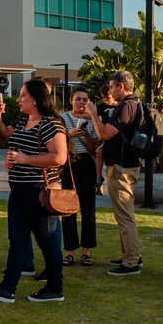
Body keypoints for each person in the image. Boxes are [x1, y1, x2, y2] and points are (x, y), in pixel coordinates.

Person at [0, 79, 69, 303]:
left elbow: (59, 157)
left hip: (39, 192)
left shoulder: (51, 124)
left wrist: (25, 159)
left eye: (22, 96)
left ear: (36, 99)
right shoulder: (24, 121)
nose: (18, 100)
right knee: (17, 241)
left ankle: (55, 289)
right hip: (18, 192)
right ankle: (7, 289)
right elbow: (4, 136)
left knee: (47, 242)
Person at [88, 70, 142, 276]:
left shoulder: (126, 106)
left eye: (111, 86)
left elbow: (103, 133)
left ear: (121, 86)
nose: (109, 90)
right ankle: (130, 254)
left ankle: (131, 263)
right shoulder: (134, 104)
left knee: (125, 217)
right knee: (124, 215)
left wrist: (93, 112)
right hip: (125, 166)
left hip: (121, 169)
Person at [59, 87, 99, 266]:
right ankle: (69, 251)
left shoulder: (92, 120)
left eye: (85, 100)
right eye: (78, 99)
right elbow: (56, 143)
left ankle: (86, 251)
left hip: (87, 164)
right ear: (70, 100)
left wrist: (87, 134)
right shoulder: (62, 118)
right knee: (67, 209)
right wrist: (68, 135)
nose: (82, 103)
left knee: (88, 210)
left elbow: (94, 149)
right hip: (68, 164)